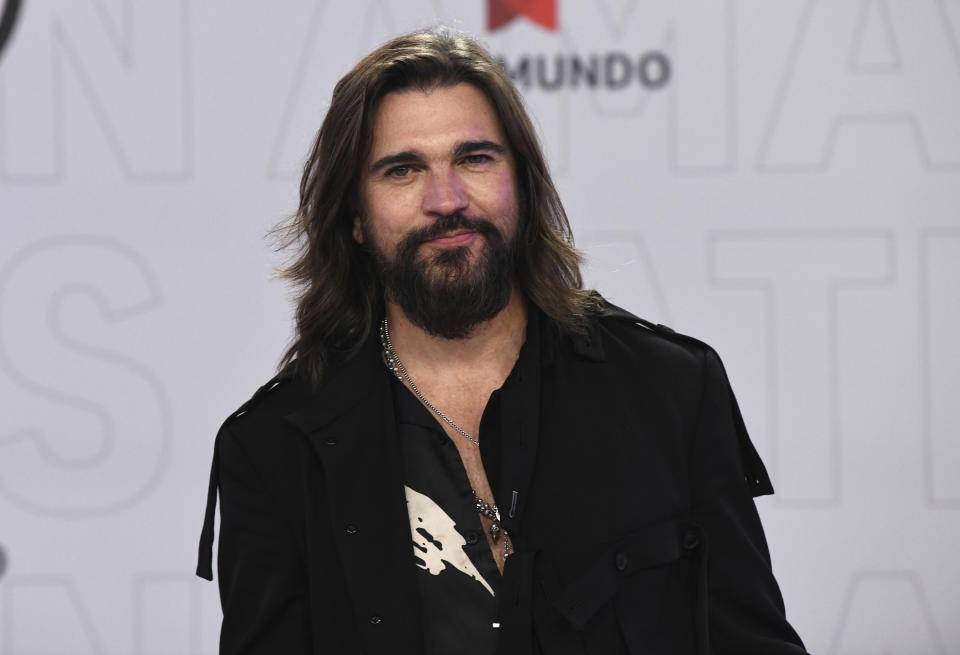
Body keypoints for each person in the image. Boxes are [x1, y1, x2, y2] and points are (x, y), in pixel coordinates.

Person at [197, 28, 808, 655]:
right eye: (403, 170)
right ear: (353, 216)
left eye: (475, 159)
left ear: (524, 181)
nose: (447, 200)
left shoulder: (670, 388)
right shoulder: (275, 449)